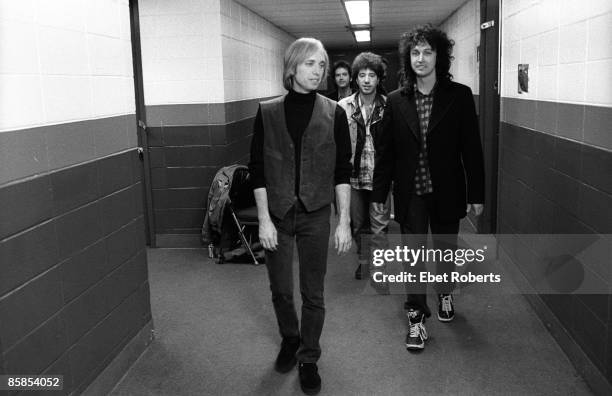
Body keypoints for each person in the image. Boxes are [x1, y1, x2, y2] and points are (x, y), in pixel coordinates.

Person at [248, 37, 352, 395]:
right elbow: (257, 169)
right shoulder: (268, 112)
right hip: (277, 213)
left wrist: (344, 222)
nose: (318, 71)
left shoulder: (334, 113)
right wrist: (262, 220)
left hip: (315, 213)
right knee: (280, 290)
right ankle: (290, 338)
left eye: (321, 65)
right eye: (310, 63)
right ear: (291, 67)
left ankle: (309, 357)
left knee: (313, 292)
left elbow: (342, 171)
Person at [372, 24, 485, 351]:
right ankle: (416, 318)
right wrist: (380, 195)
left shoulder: (459, 96)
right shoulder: (395, 100)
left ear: (439, 56)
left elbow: (471, 148)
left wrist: (477, 193)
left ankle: (445, 291)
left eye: (427, 52)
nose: (420, 58)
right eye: (415, 52)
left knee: (446, 249)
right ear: (408, 59)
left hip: (447, 189)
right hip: (411, 193)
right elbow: (387, 153)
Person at [337, 52, 391, 285]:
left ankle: (379, 267)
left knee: (380, 226)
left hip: (380, 177)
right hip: (354, 178)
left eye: (372, 75)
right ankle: (364, 260)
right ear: (355, 79)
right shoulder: (343, 107)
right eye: (362, 75)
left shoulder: (390, 106)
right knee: (357, 224)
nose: (367, 80)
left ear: (379, 79)